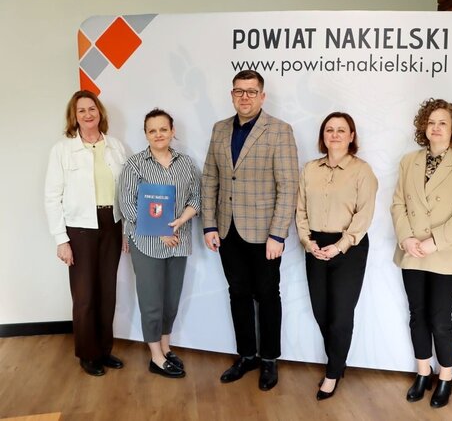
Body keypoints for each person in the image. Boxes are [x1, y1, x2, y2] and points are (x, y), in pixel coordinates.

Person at [202, 70, 299, 391]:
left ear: (262, 96)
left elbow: (288, 186)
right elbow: (210, 178)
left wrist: (278, 234)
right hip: (226, 230)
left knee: (268, 295)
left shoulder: (280, 131)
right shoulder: (219, 129)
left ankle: (269, 359)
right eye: (239, 91)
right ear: (232, 95)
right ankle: (246, 355)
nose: (245, 97)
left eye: (251, 91)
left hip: (264, 234)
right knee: (238, 293)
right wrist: (209, 224)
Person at [390, 98, 452, 408]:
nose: (436, 128)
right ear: (423, 127)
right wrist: (406, 238)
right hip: (412, 251)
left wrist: (434, 242)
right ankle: (422, 373)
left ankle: (446, 376)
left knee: (440, 319)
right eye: (431, 122)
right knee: (417, 315)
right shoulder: (409, 161)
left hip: (444, 253)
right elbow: (398, 203)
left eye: (443, 123)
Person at [44, 90, 127, 376]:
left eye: (92, 108)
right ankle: (88, 354)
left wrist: (126, 230)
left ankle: (104, 350)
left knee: (107, 292)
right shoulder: (62, 149)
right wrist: (61, 240)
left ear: (100, 112)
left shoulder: (116, 146)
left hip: (111, 223)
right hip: (79, 228)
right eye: (81, 110)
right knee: (85, 295)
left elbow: (127, 191)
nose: (88, 114)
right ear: (74, 116)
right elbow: (52, 197)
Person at [296, 112, 378, 400]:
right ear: (323, 135)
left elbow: (364, 214)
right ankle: (338, 362)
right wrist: (307, 242)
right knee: (321, 311)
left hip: (349, 248)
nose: (335, 134)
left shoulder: (362, 171)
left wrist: (341, 245)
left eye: (341, 130)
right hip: (315, 246)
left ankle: (332, 374)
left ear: (351, 136)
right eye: (329, 129)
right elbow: (300, 209)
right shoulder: (310, 169)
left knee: (341, 315)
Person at [119, 109, 201, 379]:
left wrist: (181, 220)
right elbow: (128, 205)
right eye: (152, 130)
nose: (158, 135)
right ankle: (155, 356)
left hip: (179, 241)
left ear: (172, 131)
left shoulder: (186, 163)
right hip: (147, 244)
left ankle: (166, 347)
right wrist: (159, 231)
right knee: (152, 301)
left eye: (163, 129)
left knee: (171, 301)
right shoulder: (134, 165)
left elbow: (196, 198)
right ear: (145, 134)